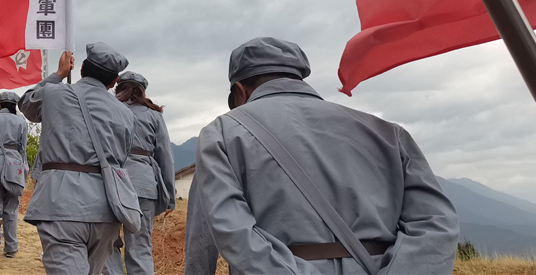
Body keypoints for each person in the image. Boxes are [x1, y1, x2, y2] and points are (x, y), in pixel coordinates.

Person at [184, 37, 459, 274]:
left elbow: (234, 234)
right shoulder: (387, 133)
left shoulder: (222, 132)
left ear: (240, 91)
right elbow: (436, 223)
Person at [19, 43, 135, 275]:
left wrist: (59, 75)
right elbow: (121, 160)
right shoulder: (126, 114)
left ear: (81, 68)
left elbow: (27, 104)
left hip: (61, 203)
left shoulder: (54, 93)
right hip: (107, 209)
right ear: (114, 81)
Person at [103, 71, 174, 275]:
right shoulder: (153, 115)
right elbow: (166, 158)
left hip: (111, 183)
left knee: (108, 244)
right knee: (140, 247)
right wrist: (168, 196)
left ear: (118, 88)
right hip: (144, 185)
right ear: (142, 91)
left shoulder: (108, 110)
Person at [0, 91, 28, 259]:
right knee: (12, 208)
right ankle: (11, 247)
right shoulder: (21, 122)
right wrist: (23, 170)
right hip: (14, 166)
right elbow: (22, 148)